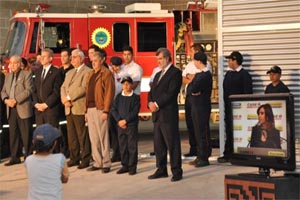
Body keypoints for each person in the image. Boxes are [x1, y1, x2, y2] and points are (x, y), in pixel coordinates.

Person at [148, 48, 183, 182]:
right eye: (157, 59)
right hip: (157, 116)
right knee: (159, 144)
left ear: (168, 58)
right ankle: (161, 169)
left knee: (172, 143)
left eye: (161, 59)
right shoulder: (157, 74)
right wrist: (150, 102)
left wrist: (156, 104)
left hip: (167, 114)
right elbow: (152, 91)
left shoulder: (175, 73)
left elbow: (171, 92)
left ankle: (176, 171)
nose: (159, 62)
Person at [218, 51, 253, 163]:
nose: (228, 62)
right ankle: (228, 153)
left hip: (240, 111)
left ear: (235, 61)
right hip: (229, 109)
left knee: (241, 132)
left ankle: (241, 154)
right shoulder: (228, 74)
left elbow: (248, 94)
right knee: (229, 131)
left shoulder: (245, 75)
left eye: (229, 60)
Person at [60, 49, 92, 169]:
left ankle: (85, 158)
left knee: (82, 135)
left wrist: (69, 98)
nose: (71, 59)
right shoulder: (69, 73)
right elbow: (63, 87)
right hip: (68, 108)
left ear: (81, 58)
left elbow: (83, 88)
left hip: (78, 106)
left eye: (74, 57)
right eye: (71, 57)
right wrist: (64, 99)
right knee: (71, 135)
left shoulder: (87, 71)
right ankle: (74, 157)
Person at [85, 50, 115, 173]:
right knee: (94, 137)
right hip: (90, 108)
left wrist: (106, 110)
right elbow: (87, 93)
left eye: (96, 61)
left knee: (103, 137)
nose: (94, 63)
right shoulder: (90, 74)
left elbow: (109, 93)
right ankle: (97, 162)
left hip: (100, 108)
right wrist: (85, 110)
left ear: (102, 61)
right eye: (92, 61)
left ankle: (106, 163)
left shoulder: (106, 73)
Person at [1, 55, 33, 166]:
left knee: (26, 134)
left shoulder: (27, 74)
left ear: (20, 64)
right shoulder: (8, 76)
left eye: (15, 63)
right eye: (11, 63)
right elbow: (3, 91)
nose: (12, 65)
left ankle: (28, 156)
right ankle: (15, 156)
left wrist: (15, 100)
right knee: (13, 134)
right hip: (11, 109)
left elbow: (29, 90)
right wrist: (6, 100)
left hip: (22, 107)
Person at [25, 124, 69, 200]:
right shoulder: (60, 158)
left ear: (33, 142)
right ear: (54, 143)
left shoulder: (28, 160)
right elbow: (65, 179)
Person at [182, 44, 212, 157]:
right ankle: (194, 148)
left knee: (201, 127)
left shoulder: (206, 66)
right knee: (191, 123)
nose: (190, 54)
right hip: (190, 99)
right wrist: (192, 77)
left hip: (200, 101)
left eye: (192, 52)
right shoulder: (190, 65)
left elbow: (197, 81)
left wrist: (192, 78)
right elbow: (184, 78)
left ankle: (204, 152)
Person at [111, 76, 140, 175]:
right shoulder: (118, 97)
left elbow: (134, 111)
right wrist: (119, 120)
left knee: (132, 146)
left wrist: (125, 121)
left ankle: (132, 167)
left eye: (128, 84)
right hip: (120, 126)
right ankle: (125, 165)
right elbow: (114, 109)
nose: (126, 86)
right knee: (122, 146)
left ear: (131, 85)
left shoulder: (135, 97)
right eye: (124, 84)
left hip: (131, 126)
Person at [32, 48, 63, 128]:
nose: (42, 58)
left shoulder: (56, 72)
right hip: (39, 111)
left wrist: (46, 104)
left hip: (51, 110)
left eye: (44, 56)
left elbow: (56, 91)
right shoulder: (38, 72)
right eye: (41, 56)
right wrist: (36, 104)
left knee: (51, 136)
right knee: (41, 136)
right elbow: (34, 90)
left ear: (50, 58)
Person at [109, 56, 125, 162]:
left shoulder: (124, 74)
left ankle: (122, 153)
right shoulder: (109, 73)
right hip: (111, 105)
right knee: (113, 131)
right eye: (114, 66)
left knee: (120, 131)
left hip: (120, 104)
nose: (116, 68)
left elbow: (121, 88)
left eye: (117, 66)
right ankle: (116, 152)